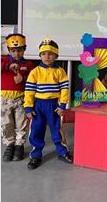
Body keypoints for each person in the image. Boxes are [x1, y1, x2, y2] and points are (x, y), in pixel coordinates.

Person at [24, 39, 72, 170]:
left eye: (50, 53)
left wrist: (62, 105)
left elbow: (64, 89)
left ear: (56, 55)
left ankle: (62, 151)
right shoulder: (35, 72)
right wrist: (28, 107)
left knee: (57, 128)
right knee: (36, 130)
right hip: (38, 105)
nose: (47, 56)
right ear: (40, 55)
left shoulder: (60, 71)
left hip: (54, 105)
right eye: (43, 53)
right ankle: (36, 154)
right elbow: (29, 90)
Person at [0, 34, 35, 162]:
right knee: (6, 124)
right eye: (13, 50)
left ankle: (19, 145)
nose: (16, 53)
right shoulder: (3, 60)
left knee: (21, 124)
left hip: (21, 99)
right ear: (9, 50)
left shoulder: (28, 64)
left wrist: (23, 79)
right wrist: (8, 66)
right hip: (4, 100)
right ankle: (9, 145)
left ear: (24, 49)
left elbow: (34, 80)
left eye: (19, 50)